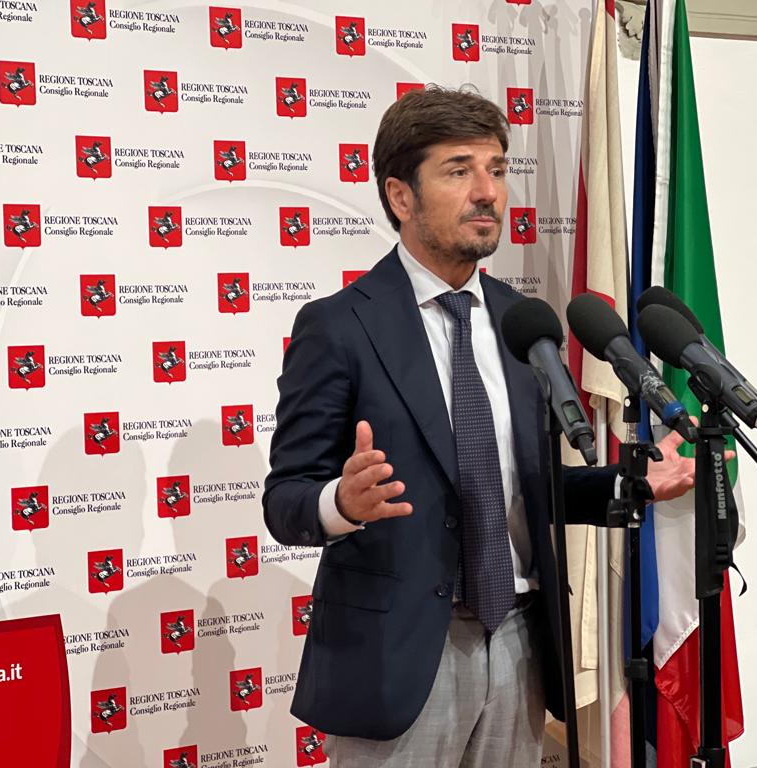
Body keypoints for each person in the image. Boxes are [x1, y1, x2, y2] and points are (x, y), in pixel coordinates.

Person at [263, 86, 697, 768]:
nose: (488, 192)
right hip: (403, 655)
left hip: (522, 642)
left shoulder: (521, 324)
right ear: (401, 196)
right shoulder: (340, 327)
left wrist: (631, 483)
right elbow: (285, 498)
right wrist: (341, 503)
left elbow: (526, 487)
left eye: (496, 169)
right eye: (458, 170)